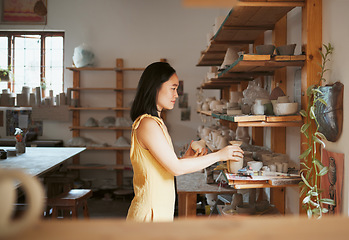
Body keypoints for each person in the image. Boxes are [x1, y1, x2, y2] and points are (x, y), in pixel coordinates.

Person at [126, 62, 244, 222]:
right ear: (155, 87)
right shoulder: (148, 124)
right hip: (149, 215)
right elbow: (176, 169)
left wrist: (185, 160)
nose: (176, 95)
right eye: (173, 88)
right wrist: (219, 155)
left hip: (158, 212)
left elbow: (166, 167)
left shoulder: (156, 122)